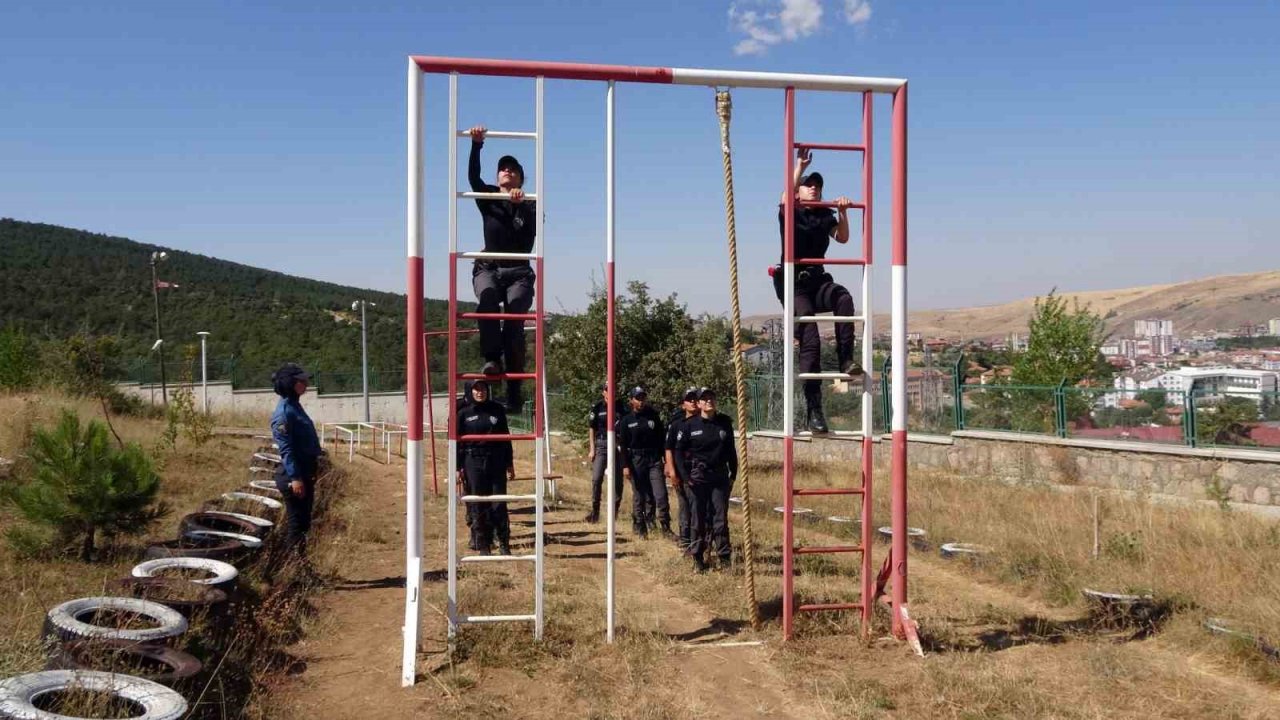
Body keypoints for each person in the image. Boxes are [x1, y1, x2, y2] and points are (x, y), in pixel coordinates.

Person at [774, 147, 863, 434]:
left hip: (817, 279)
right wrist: (799, 166)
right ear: (799, 191)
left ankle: (846, 359)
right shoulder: (791, 212)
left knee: (844, 298)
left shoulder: (825, 214)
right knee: (810, 335)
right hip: (794, 283)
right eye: (808, 185)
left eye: (818, 185)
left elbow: (843, 238)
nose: (814, 189)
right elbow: (785, 197)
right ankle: (814, 410)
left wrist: (843, 212)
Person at [467, 125, 537, 411]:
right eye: (503, 168)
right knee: (486, 302)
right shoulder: (487, 197)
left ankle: (514, 388)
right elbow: (472, 177)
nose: (506, 171)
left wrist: (519, 207)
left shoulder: (529, 205)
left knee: (515, 316)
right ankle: (492, 360)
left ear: (520, 177)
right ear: (497, 177)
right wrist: (476, 144)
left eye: (512, 169)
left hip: (518, 271)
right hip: (488, 266)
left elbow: (527, 244)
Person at [676, 388, 738, 572]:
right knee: (698, 519)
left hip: (719, 477)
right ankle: (698, 557)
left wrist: (733, 474)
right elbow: (678, 452)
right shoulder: (690, 425)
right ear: (699, 403)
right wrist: (685, 477)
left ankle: (724, 558)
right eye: (705, 399)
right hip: (698, 478)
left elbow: (731, 451)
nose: (709, 401)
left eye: (712, 398)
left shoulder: (724, 423)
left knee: (720, 519)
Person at [456, 378, 515, 556]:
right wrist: (457, 468)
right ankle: (483, 544)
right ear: (470, 391)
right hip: (473, 460)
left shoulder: (497, 410)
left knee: (498, 503)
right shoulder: (463, 413)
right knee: (477, 503)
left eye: (483, 388)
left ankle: (504, 543)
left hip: (496, 460)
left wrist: (509, 463)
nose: (480, 392)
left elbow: (506, 437)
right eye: (476, 389)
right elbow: (457, 444)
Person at [270, 363, 323, 559]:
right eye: (301, 380)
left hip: (304, 471)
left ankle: (300, 566)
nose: (306, 383)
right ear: (291, 384)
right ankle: (292, 567)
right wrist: (296, 478)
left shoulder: (294, 405)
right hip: (294, 475)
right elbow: (286, 449)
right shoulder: (284, 412)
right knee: (296, 524)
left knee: (303, 523)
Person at [617, 386, 669, 539]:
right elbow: (623, 446)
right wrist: (625, 466)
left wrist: (665, 459)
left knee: (660, 494)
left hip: (653, 459)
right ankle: (639, 525)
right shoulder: (626, 420)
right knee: (639, 495)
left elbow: (661, 438)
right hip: (636, 460)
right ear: (631, 400)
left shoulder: (653, 416)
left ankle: (665, 526)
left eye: (643, 398)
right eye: (638, 398)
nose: (641, 401)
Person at [664, 387, 699, 551]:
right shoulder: (677, 424)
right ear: (683, 404)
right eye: (689, 399)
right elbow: (669, 449)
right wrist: (671, 471)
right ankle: (686, 540)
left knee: (698, 507)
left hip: (699, 471)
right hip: (681, 471)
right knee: (685, 506)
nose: (693, 402)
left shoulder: (705, 422)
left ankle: (698, 540)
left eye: (695, 399)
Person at [584, 385, 624, 524]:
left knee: (618, 481)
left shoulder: (621, 407)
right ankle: (595, 512)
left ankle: (614, 513)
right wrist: (592, 448)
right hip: (601, 445)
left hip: (617, 446)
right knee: (596, 478)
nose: (610, 392)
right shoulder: (597, 407)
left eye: (612, 389)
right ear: (603, 392)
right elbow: (592, 428)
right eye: (607, 389)